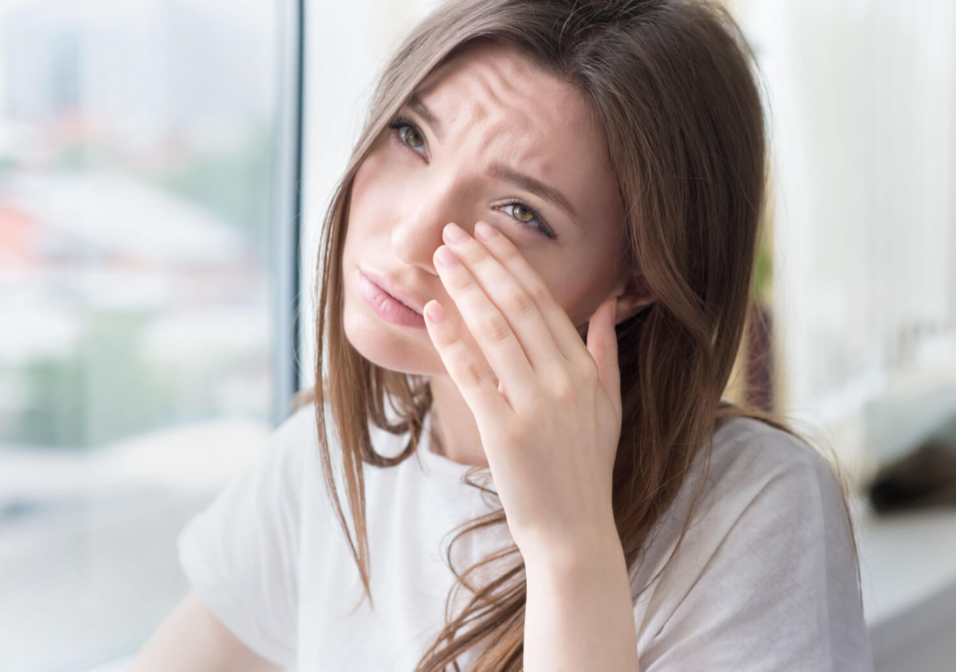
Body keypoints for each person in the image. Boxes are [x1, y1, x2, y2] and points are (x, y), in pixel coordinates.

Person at [129, 0, 873, 670]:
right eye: (412, 135)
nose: (411, 235)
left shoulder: (754, 508)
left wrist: (569, 551)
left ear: (636, 281)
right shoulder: (327, 464)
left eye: (520, 212)